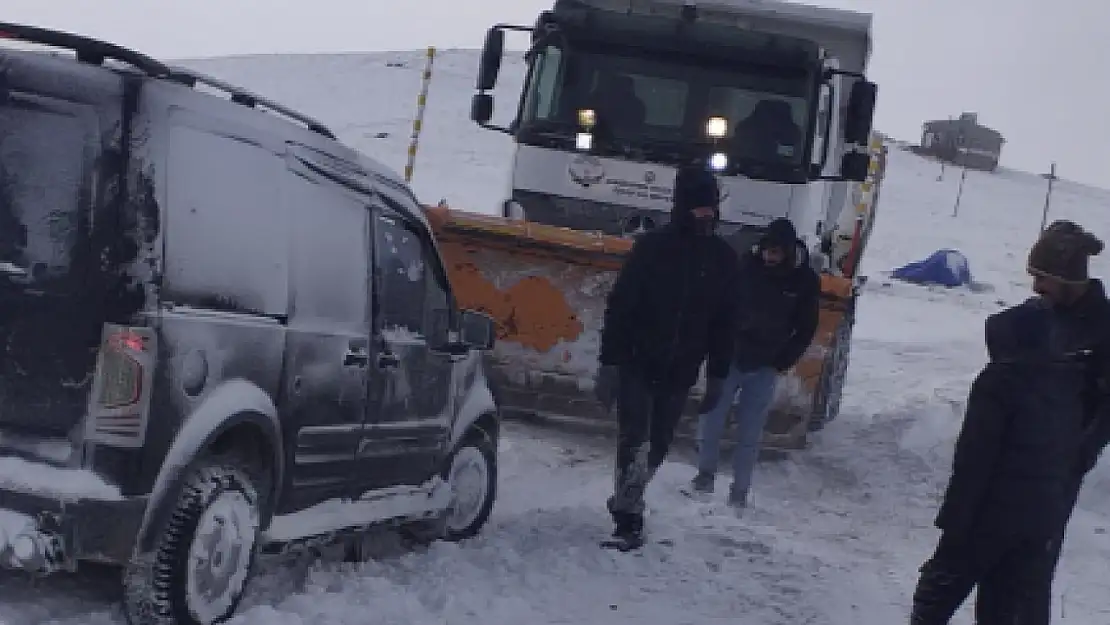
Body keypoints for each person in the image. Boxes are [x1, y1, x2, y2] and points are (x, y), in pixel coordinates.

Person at [908, 301, 1086, 625]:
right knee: (1001, 608)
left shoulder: (1000, 381)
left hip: (988, 515)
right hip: (1038, 520)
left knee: (935, 598)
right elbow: (1070, 453)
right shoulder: (1067, 383)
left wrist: (954, 523)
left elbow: (974, 459)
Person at [593, 164, 741, 549]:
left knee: (658, 443)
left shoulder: (724, 260)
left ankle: (632, 494)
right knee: (634, 436)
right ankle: (627, 516)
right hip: (638, 361)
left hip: (681, 370)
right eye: (698, 208)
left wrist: (719, 375)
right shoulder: (651, 249)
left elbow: (726, 322)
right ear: (682, 207)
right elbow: (620, 307)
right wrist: (609, 362)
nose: (706, 216)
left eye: (711, 209)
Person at [687, 217, 819, 508]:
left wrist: (782, 361)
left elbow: (806, 327)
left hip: (765, 365)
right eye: (766, 250)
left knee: (750, 431)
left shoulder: (805, 282)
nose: (769, 257)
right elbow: (720, 306)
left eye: (776, 252)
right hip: (730, 357)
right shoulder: (743, 267)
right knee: (711, 418)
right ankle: (704, 476)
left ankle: (739, 492)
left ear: (787, 251)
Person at [1022, 220, 1110, 620]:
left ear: (1068, 279)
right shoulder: (1043, 312)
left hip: (1059, 465)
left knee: (1034, 566)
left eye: (1042, 278)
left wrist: (1078, 453)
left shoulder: (1103, 329)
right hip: (1020, 454)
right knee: (1001, 564)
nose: (1035, 287)